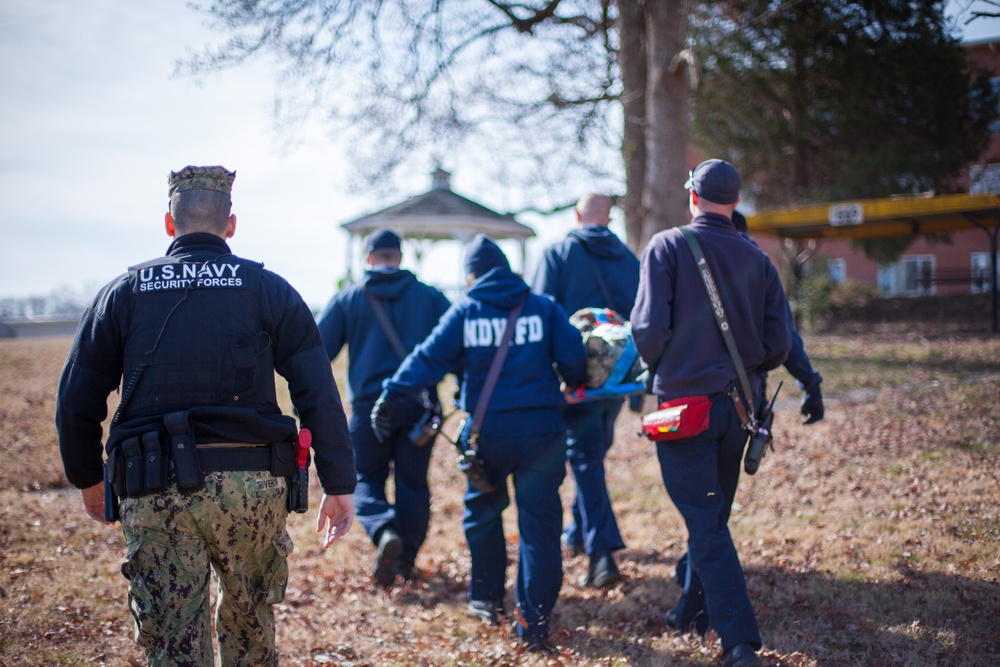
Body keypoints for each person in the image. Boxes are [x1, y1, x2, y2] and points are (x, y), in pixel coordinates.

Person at [55, 165, 356, 666]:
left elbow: (76, 400)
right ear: (230, 225)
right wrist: (339, 483)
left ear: (169, 225)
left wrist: (89, 480)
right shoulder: (269, 289)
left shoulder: (123, 293)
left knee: (172, 643)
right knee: (251, 629)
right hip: (254, 490)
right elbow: (317, 391)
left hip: (154, 490)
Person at [372, 234, 587, 654]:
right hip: (542, 433)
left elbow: (429, 357)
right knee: (540, 526)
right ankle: (535, 623)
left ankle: (486, 599)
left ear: (472, 275)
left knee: (484, 514)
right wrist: (573, 380)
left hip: (487, 434)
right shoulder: (542, 307)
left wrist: (392, 393)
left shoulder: (466, 311)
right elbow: (574, 359)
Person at [630, 159, 791, 667]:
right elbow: (780, 343)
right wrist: (738, 367)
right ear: (736, 202)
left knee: (705, 522)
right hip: (737, 409)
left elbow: (648, 331)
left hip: (683, 408)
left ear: (692, 197)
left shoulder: (667, 245)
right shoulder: (758, 259)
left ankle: (739, 642)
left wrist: (663, 366)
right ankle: (689, 613)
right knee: (712, 517)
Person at [316, 228, 451, 587]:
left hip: (367, 408)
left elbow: (318, 350)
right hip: (419, 405)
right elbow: (457, 345)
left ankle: (384, 530)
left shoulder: (349, 299)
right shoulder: (430, 297)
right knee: (412, 482)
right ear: (400, 257)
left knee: (364, 478)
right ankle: (405, 560)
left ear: (370, 258)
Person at [531, 192, 639, 587]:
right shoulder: (630, 259)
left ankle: (602, 553)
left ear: (578, 215)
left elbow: (541, 314)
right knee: (591, 455)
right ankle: (580, 535)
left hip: (572, 380)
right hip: (616, 379)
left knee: (586, 461)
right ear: (608, 218)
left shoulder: (557, 254)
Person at [731, 211, 824, 425]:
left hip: (689, 390)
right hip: (744, 389)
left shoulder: (687, 256)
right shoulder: (759, 265)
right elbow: (784, 337)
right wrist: (810, 384)